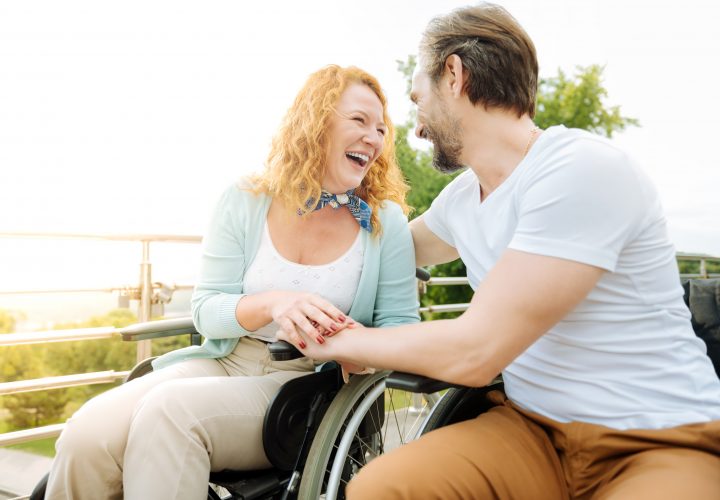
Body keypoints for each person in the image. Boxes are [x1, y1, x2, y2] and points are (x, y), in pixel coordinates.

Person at [279, 4, 720, 499]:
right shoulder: (462, 200)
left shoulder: (581, 170)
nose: (416, 124)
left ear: (454, 75)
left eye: (416, 96)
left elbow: (476, 351)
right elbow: (379, 248)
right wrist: (292, 222)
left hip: (655, 438)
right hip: (531, 430)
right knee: (381, 489)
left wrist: (340, 342)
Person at [45, 65, 419, 500]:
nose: (374, 139)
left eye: (380, 129)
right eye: (358, 121)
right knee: (86, 434)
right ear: (316, 120)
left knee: (170, 415)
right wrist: (275, 303)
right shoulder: (245, 199)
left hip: (306, 385)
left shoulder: (383, 221)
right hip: (224, 359)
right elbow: (206, 310)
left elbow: (401, 331)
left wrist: (353, 345)